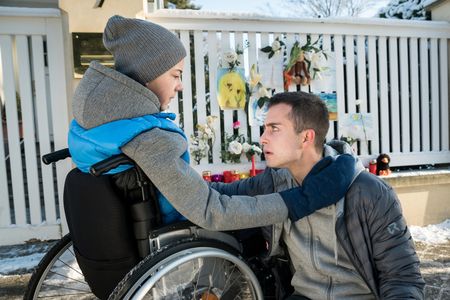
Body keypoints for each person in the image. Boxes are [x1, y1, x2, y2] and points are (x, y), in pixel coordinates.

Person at [67, 16, 344, 299]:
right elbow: (212, 212)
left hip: (152, 219)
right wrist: (297, 201)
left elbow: (192, 192)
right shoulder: (148, 139)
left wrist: (250, 188)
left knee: (249, 192)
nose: (180, 86)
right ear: (147, 75)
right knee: (259, 236)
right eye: (175, 75)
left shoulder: (100, 126)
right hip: (180, 232)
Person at [129, 91, 425, 298]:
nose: (262, 138)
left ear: (306, 137)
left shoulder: (369, 193)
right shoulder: (274, 182)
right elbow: (219, 195)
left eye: (274, 129)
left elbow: (403, 277)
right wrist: (163, 176)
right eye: (264, 128)